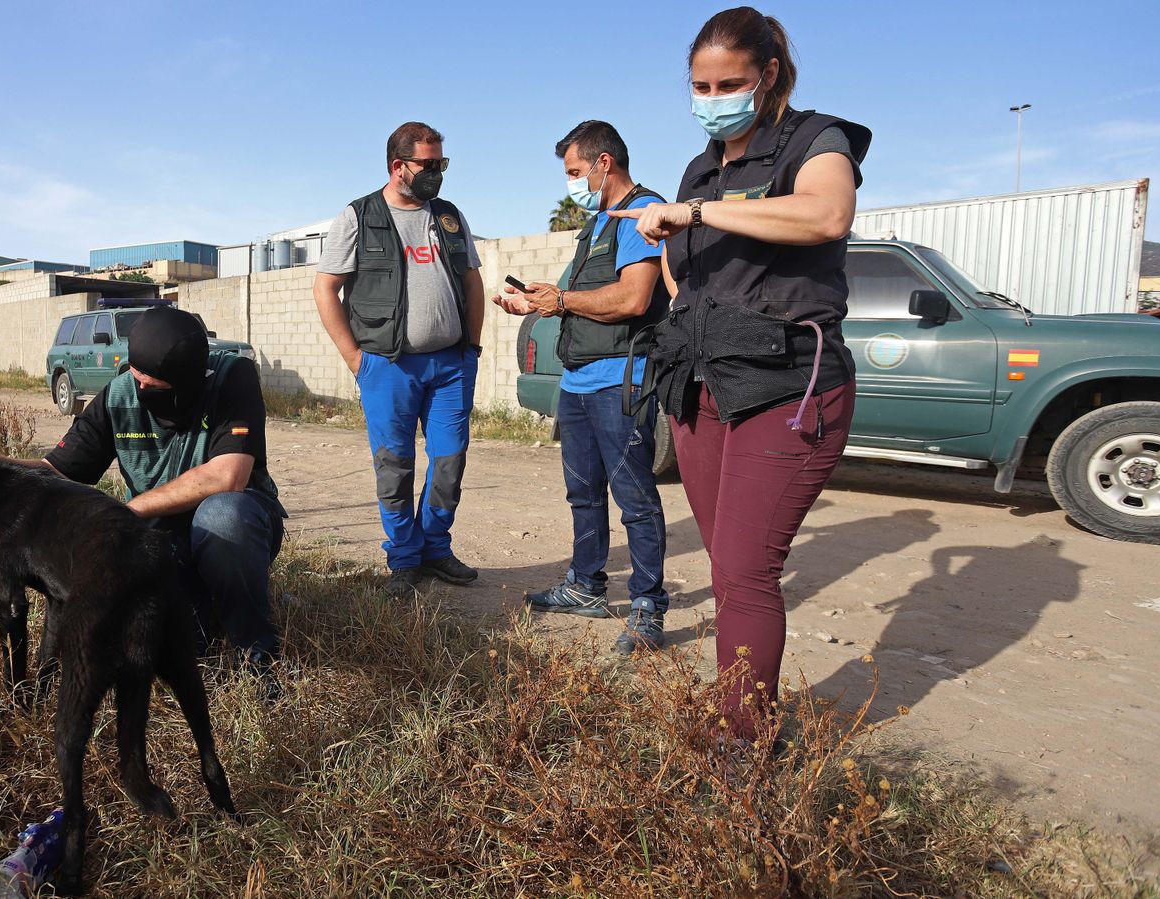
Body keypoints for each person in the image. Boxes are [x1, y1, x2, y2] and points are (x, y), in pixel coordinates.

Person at [607, 6, 871, 742]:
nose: (712, 95)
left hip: (789, 384)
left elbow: (824, 216)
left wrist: (695, 211)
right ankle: (739, 714)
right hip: (705, 385)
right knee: (727, 566)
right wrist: (673, 234)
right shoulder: (703, 167)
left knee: (749, 568)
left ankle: (743, 743)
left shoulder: (819, 141)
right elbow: (683, 276)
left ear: (770, 76)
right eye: (700, 83)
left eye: (730, 82)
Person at [0, 306, 286, 697]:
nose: (139, 391)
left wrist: (126, 513)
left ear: (188, 382)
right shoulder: (119, 396)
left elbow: (228, 475)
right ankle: (209, 602)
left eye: (153, 386)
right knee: (184, 643)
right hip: (163, 541)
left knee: (223, 516)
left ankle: (257, 655)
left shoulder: (232, 378)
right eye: (135, 377)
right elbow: (55, 471)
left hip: (239, 522)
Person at [492, 120, 671, 653]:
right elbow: (579, 295)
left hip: (620, 378)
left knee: (634, 496)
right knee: (583, 491)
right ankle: (586, 585)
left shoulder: (643, 213)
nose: (572, 181)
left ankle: (647, 606)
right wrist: (533, 303)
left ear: (604, 163)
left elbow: (635, 299)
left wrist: (563, 302)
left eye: (575, 171)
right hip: (578, 379)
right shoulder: (597, 223)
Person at [312, 121, 486, 600]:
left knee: (449, 462)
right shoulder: (359, 216)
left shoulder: (448, 216)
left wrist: (470, 349)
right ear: (398, 166)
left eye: (441, 165)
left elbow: (472, 281)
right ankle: (405, 559)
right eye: (428, 165)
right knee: (396, 466)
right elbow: (326, 288)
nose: (437, 174)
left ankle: (435, 548)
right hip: (388, 366)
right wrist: (355, 359)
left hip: (451, 365)